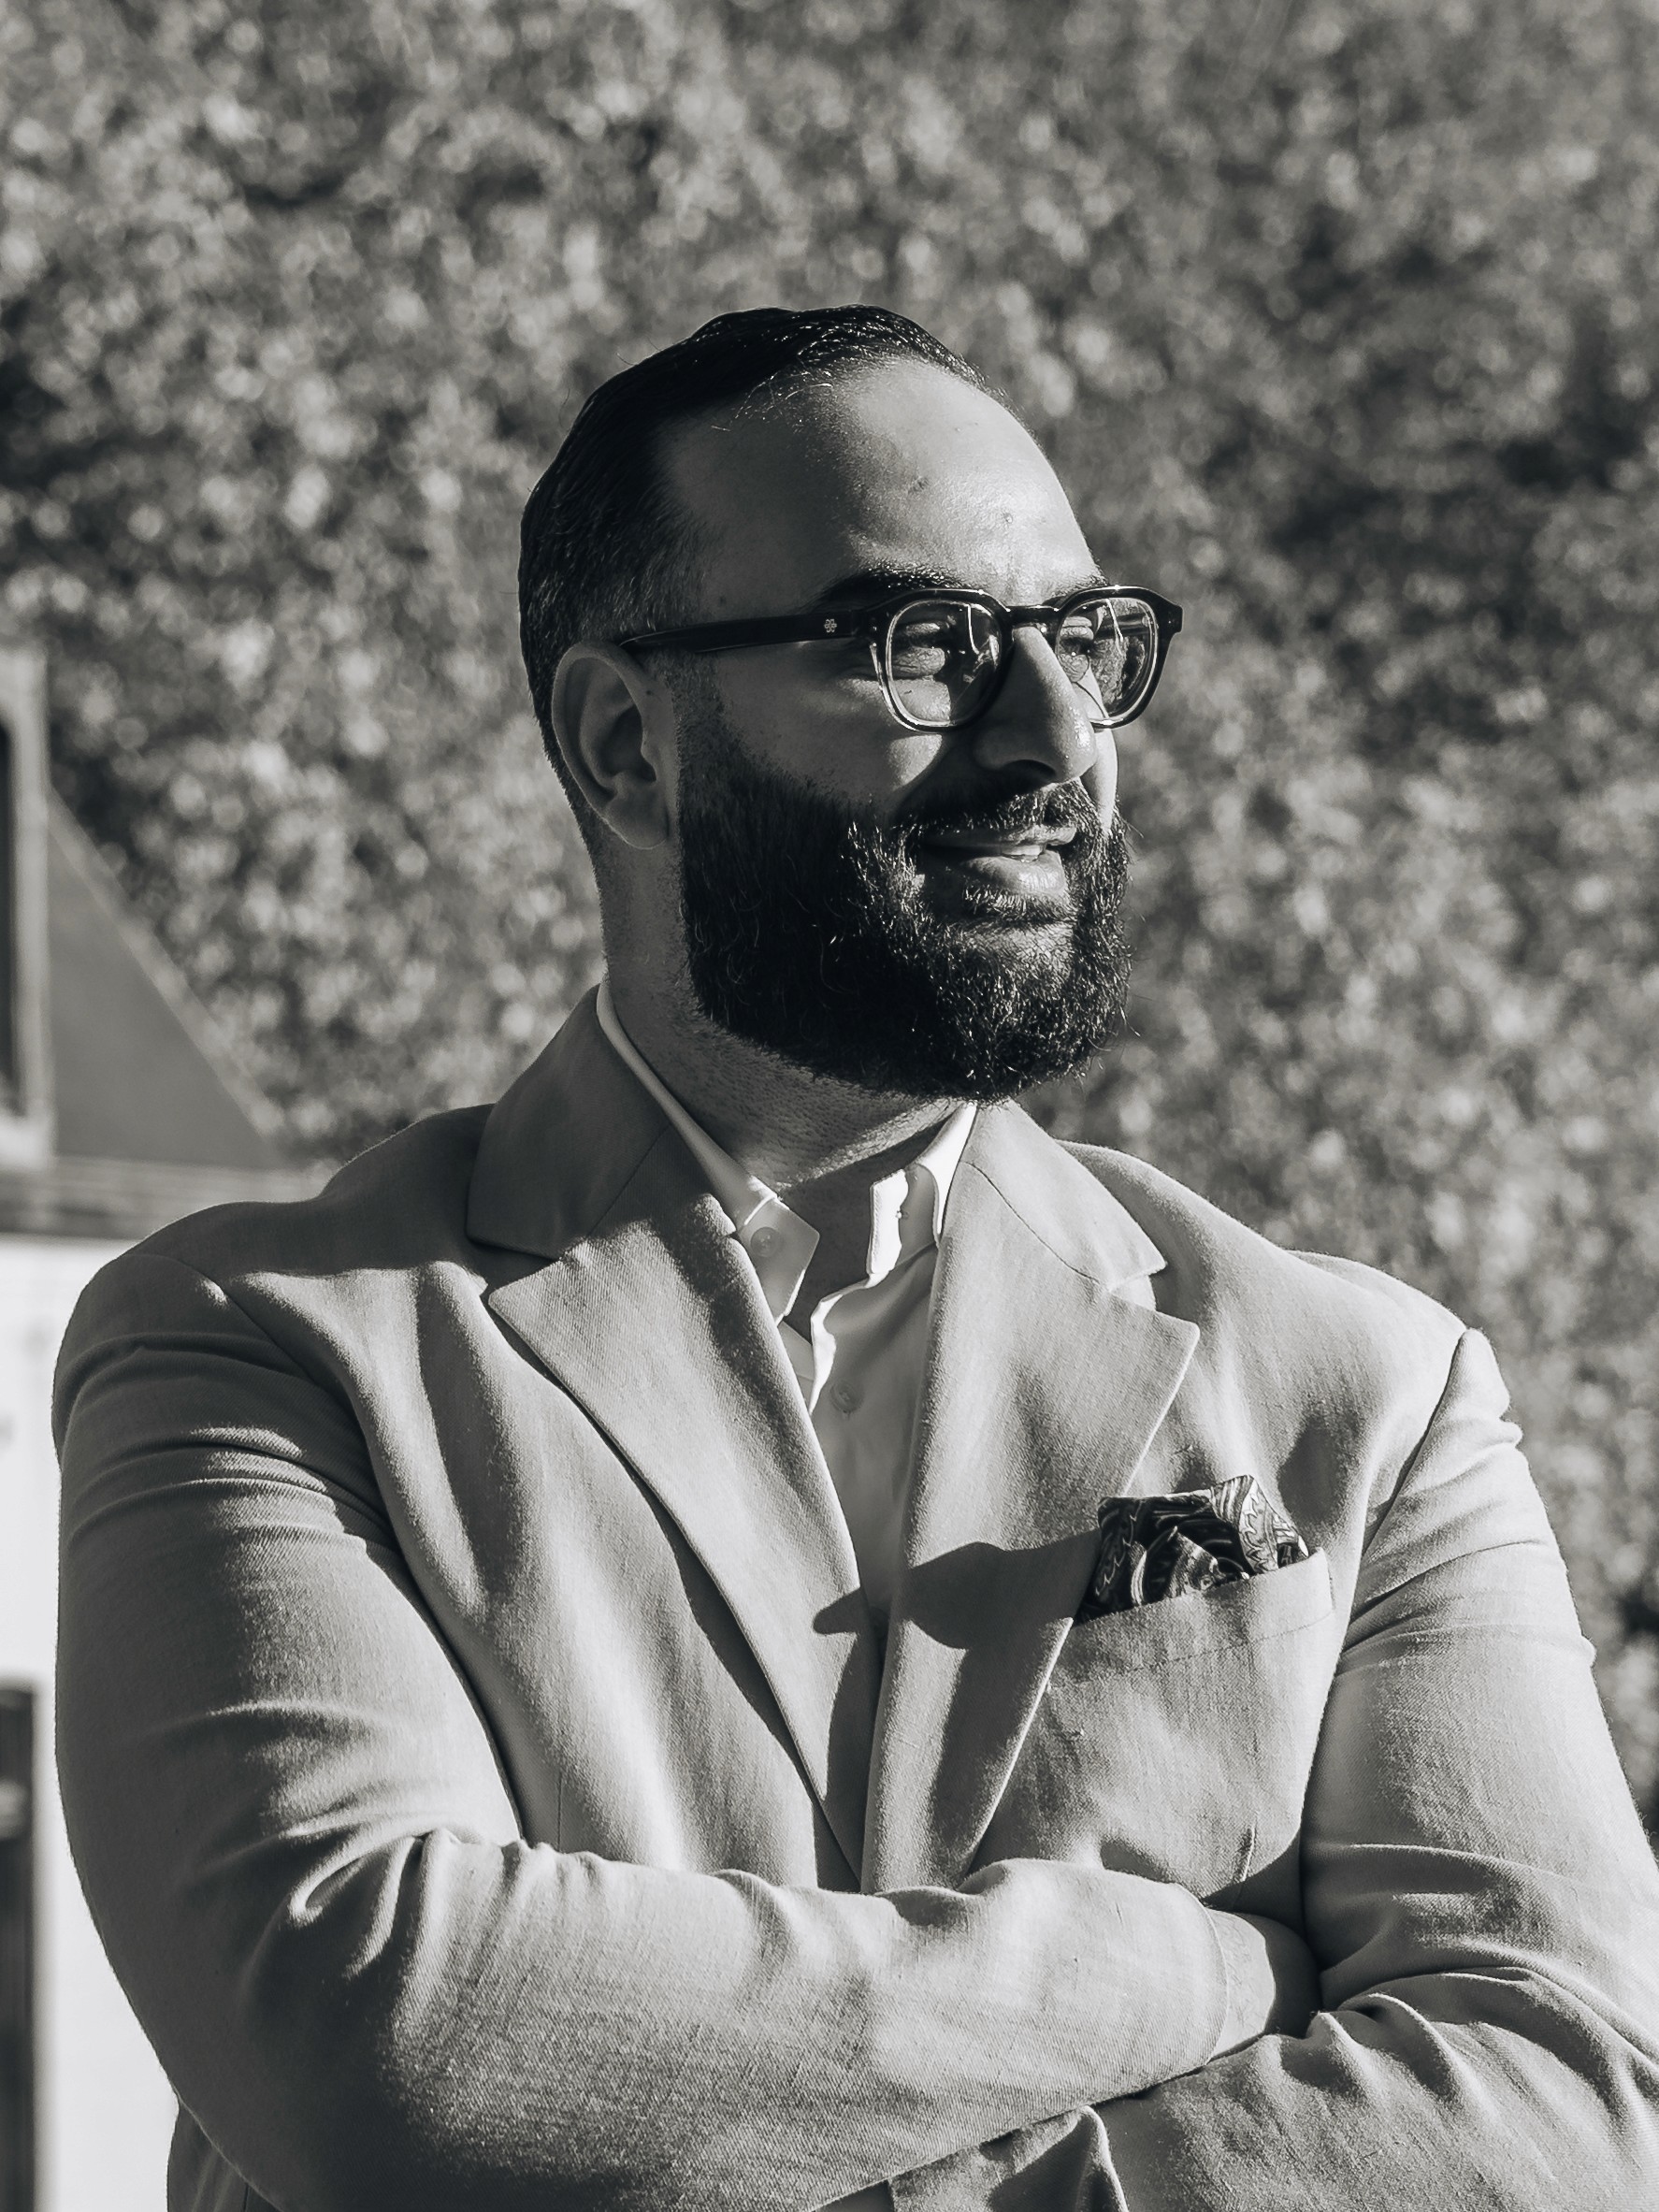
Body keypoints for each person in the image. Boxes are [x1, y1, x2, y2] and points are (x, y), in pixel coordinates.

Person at [53, 305, 1659, 2212]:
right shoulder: (258, 1346)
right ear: (624, 740)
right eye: (923, 646)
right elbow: (386, 2039)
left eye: (1081, 640)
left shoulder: (1366, 1392)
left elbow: (1570, 2105)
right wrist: (1186, 1968)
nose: (1054, 737)